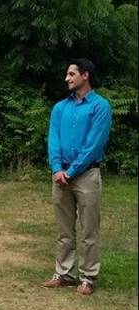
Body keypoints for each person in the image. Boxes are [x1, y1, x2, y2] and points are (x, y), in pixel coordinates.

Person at [41, 58, 112, 296]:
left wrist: (71, 172)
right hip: (61, 174)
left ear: (85, 76)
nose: (67, 78)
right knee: (64, 230)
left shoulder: (100, 107)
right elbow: (54, 140)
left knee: (89, 228)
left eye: (71, 74)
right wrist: (57, 168)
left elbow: (94, 144)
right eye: (67, 74)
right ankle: (64, 273)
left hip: (86, 175)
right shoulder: (60, 108)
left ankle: (88, 277)